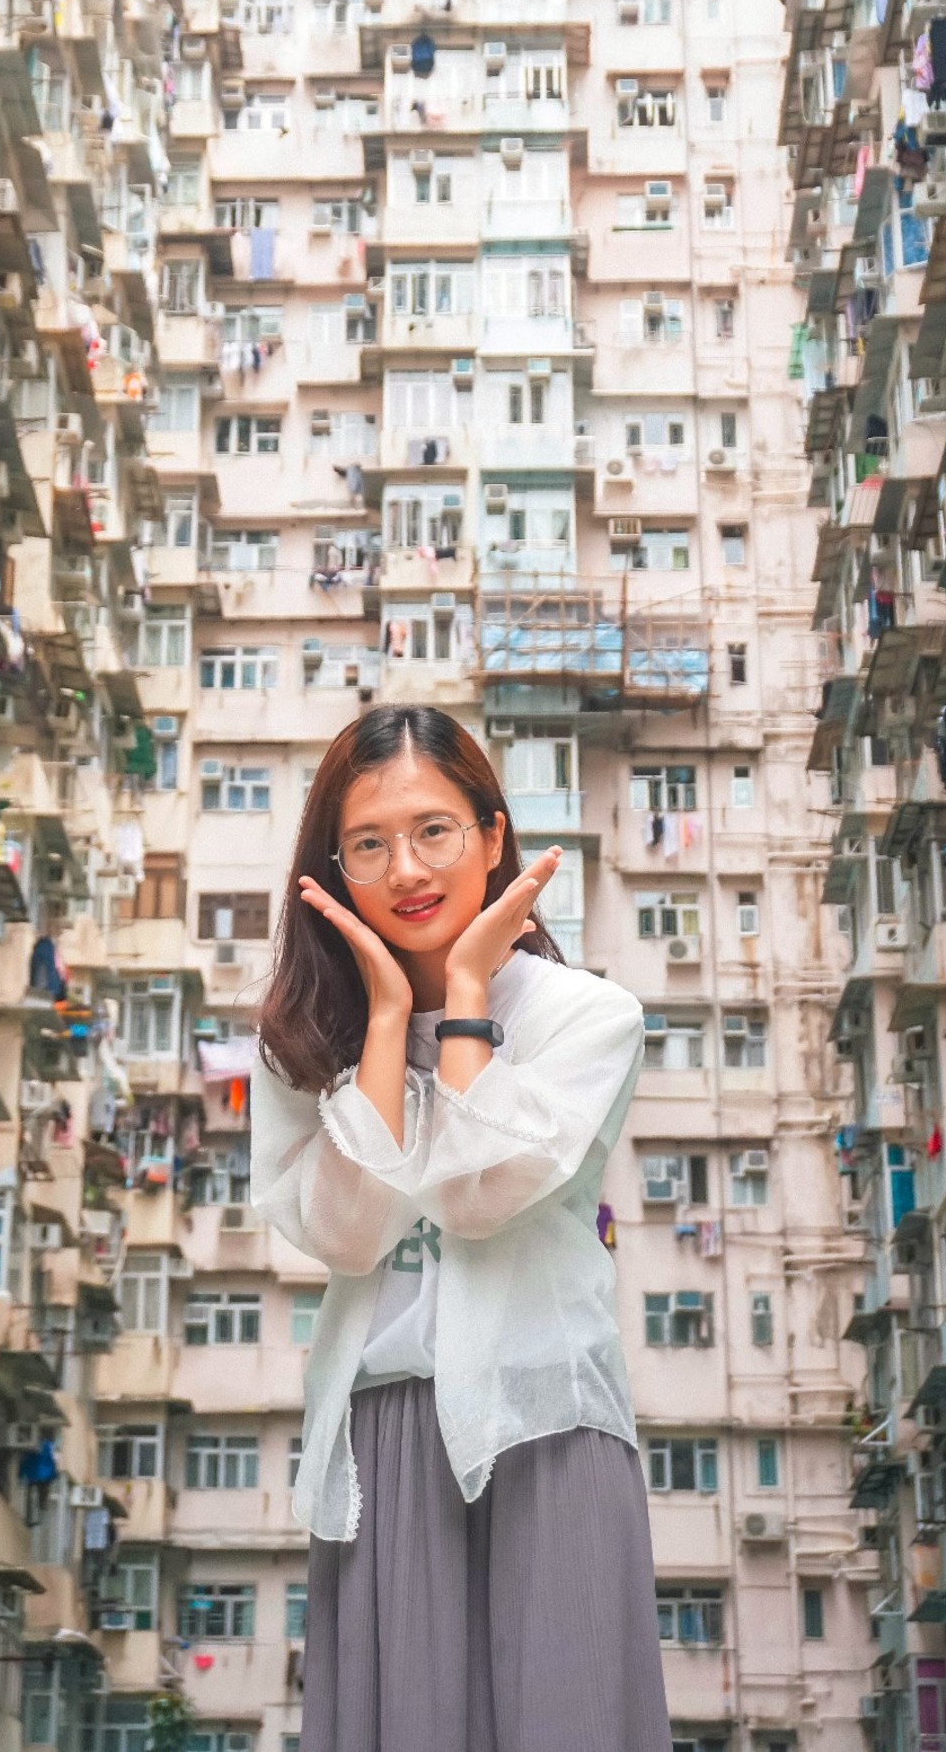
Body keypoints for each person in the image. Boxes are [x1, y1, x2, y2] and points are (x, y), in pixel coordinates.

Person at [251, 704, 671, 1752]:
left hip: (545, 1420)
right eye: (368, 843)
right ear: (333, 869)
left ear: (492, 837)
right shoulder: (303, 1044)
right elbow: (348, 1237)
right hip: (383, 1435)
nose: (406, 868)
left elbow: (482, 1198)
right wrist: (389, 1025)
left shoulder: (586, 1015)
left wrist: (469, 998)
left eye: (435, 830)